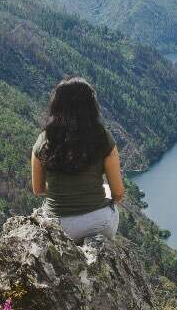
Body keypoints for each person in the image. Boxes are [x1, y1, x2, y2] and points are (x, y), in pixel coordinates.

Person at [31, 77, 125, 242]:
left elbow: (38, 189)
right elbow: (118, 193)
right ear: (91, 106)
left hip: (57, 229)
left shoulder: (44, 140)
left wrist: (64, 192)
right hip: (98, 224)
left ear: (56, 105)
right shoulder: (103, 138)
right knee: (108, 192)